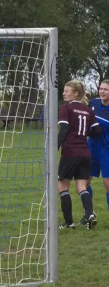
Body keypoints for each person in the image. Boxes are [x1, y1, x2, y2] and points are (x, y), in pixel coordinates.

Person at [58, 80, 101, 230]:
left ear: (75, 93)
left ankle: (68, 222)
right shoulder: (88, 110)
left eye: (66, 91)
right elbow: (97, 131)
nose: (64, 93)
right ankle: (89, 214)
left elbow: (63, 130)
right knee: (81, 187)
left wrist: (54, 147)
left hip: (70, 152)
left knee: (63, 187)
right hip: (85, 153)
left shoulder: (66, 108)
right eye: (64, 91)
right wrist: (83, 133)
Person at [87, 79, 109, 214]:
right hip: (91, 148)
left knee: (107, 185)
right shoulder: (92, 104)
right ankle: (89, 214)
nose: (102, 91)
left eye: (106, 89)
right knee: (84, 183)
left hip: (106, 150)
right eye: (101, 88)